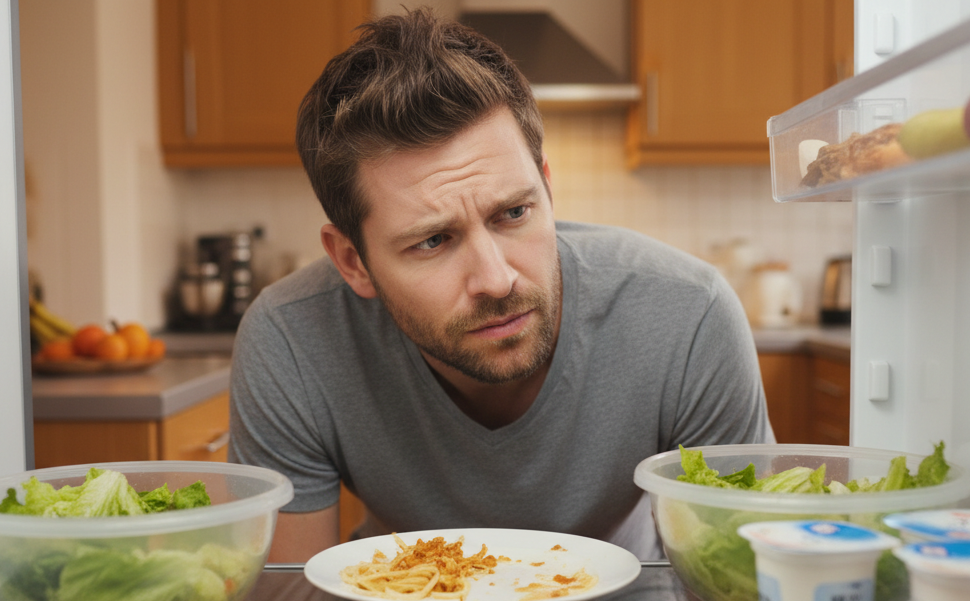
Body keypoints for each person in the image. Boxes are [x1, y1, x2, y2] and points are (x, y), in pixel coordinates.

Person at [228, 8, 770, 564]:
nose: (495, 279)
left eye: (513, 212)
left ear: (547, 189)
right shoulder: (289, 339)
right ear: (353, 261)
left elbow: (737, 592)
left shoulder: (687, 314)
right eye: (433, 241)